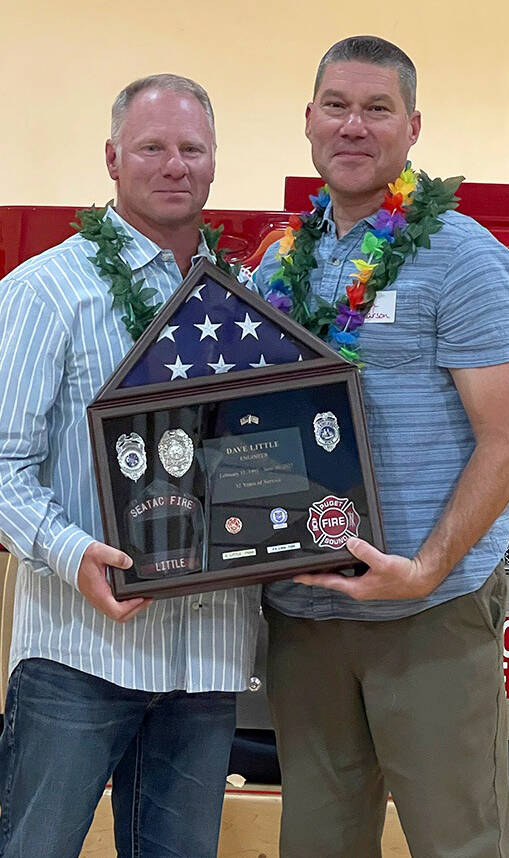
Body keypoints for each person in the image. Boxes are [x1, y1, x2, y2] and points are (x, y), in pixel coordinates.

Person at [255, 36, 509, 858]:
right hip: (305, 615)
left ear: (412, 128)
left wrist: (427, 569)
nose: (353, 125)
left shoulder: (464, 258)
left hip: (427, 613)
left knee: (459, 843)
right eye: (337, 105)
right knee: (318, 843)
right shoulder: (278, 268)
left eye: (378, 108)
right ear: (309, 119)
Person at [0, 74, 261, 858]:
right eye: (152, 147)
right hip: (80, 653)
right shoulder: (47, 291)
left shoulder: (246, 300)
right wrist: (71, 552)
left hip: (207, 659)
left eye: (192, 148)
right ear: (113, 159)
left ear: (214, 162)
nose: (174, 164)